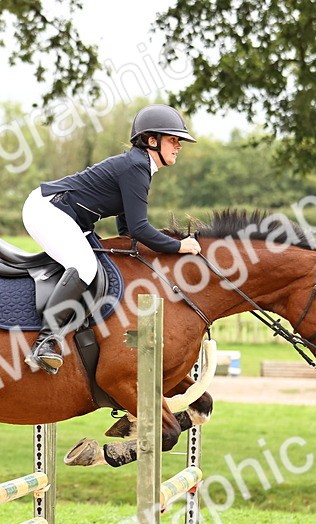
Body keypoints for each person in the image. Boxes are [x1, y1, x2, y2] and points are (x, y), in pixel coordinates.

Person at [20, 104, 200, 374]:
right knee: (85, 266)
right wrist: (179, 246)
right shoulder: (136, 167)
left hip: (67, 215)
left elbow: (128, 227)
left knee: (103, 263)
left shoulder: (140, 166)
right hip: (47, 210)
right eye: (174, 139)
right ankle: (46, 341)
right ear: (153, 141)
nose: (179, 146)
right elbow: (140, 228)